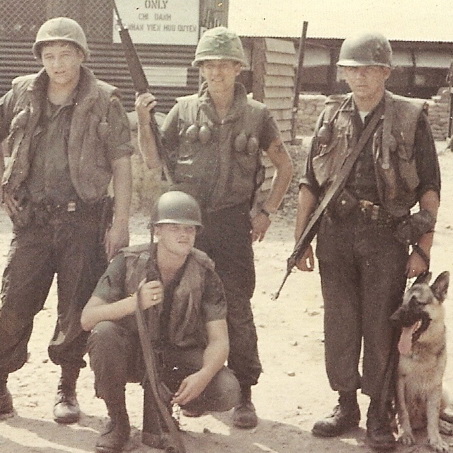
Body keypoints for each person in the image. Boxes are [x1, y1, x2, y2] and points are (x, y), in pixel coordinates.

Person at [134, 26, 293, 429]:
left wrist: (266, 211)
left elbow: (285, 166)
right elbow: (153, 160)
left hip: (233, 225)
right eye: (209, 65)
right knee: (178, 304)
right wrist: (143, 122)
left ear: (239, 68)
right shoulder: (184, 110)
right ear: (200, 69)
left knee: (235, 308)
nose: (217, 72)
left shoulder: (257, 115)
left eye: (225, 64)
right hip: (188, 224)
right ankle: (182, 389)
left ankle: (244, 392)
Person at [294, 32, 441, 450]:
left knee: (380, 327)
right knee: (339, 324)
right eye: (352, 69)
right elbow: (309, 182)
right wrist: (300, 240)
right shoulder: (330, 116)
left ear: (386, 72)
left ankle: (379, 413)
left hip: (385, 237)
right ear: (343, 73)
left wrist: (423, 248)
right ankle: (346, 405)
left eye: (370, 69)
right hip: (335, 235)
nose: (360, 77)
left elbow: (429, 188)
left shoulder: (410, 117)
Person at [0, 17, 133, 424]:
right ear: (40, 58)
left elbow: (122, 164)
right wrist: (4, 183)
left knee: (75, 309)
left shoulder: (104, 100)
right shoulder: (21, 93)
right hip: (33, 222)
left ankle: (67, 387)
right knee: (13, 303)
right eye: (49, 55)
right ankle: (0, 383)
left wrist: (120, 224)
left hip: (84, 223)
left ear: (81, 56)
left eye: (65, 54)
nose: (57, 64)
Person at [81, 190, 240, 453]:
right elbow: (88, 318)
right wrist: (135, 302)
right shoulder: (128, 262)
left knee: (227, 389)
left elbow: (219, 340)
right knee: (104, 333)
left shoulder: (204, 272)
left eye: (190, 229)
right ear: (157, 231)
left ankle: (167, 413)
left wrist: (203, 376)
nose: (183, 235)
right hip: (133, 355)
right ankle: (118, 422)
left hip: (176, 359)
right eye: (174, 228)